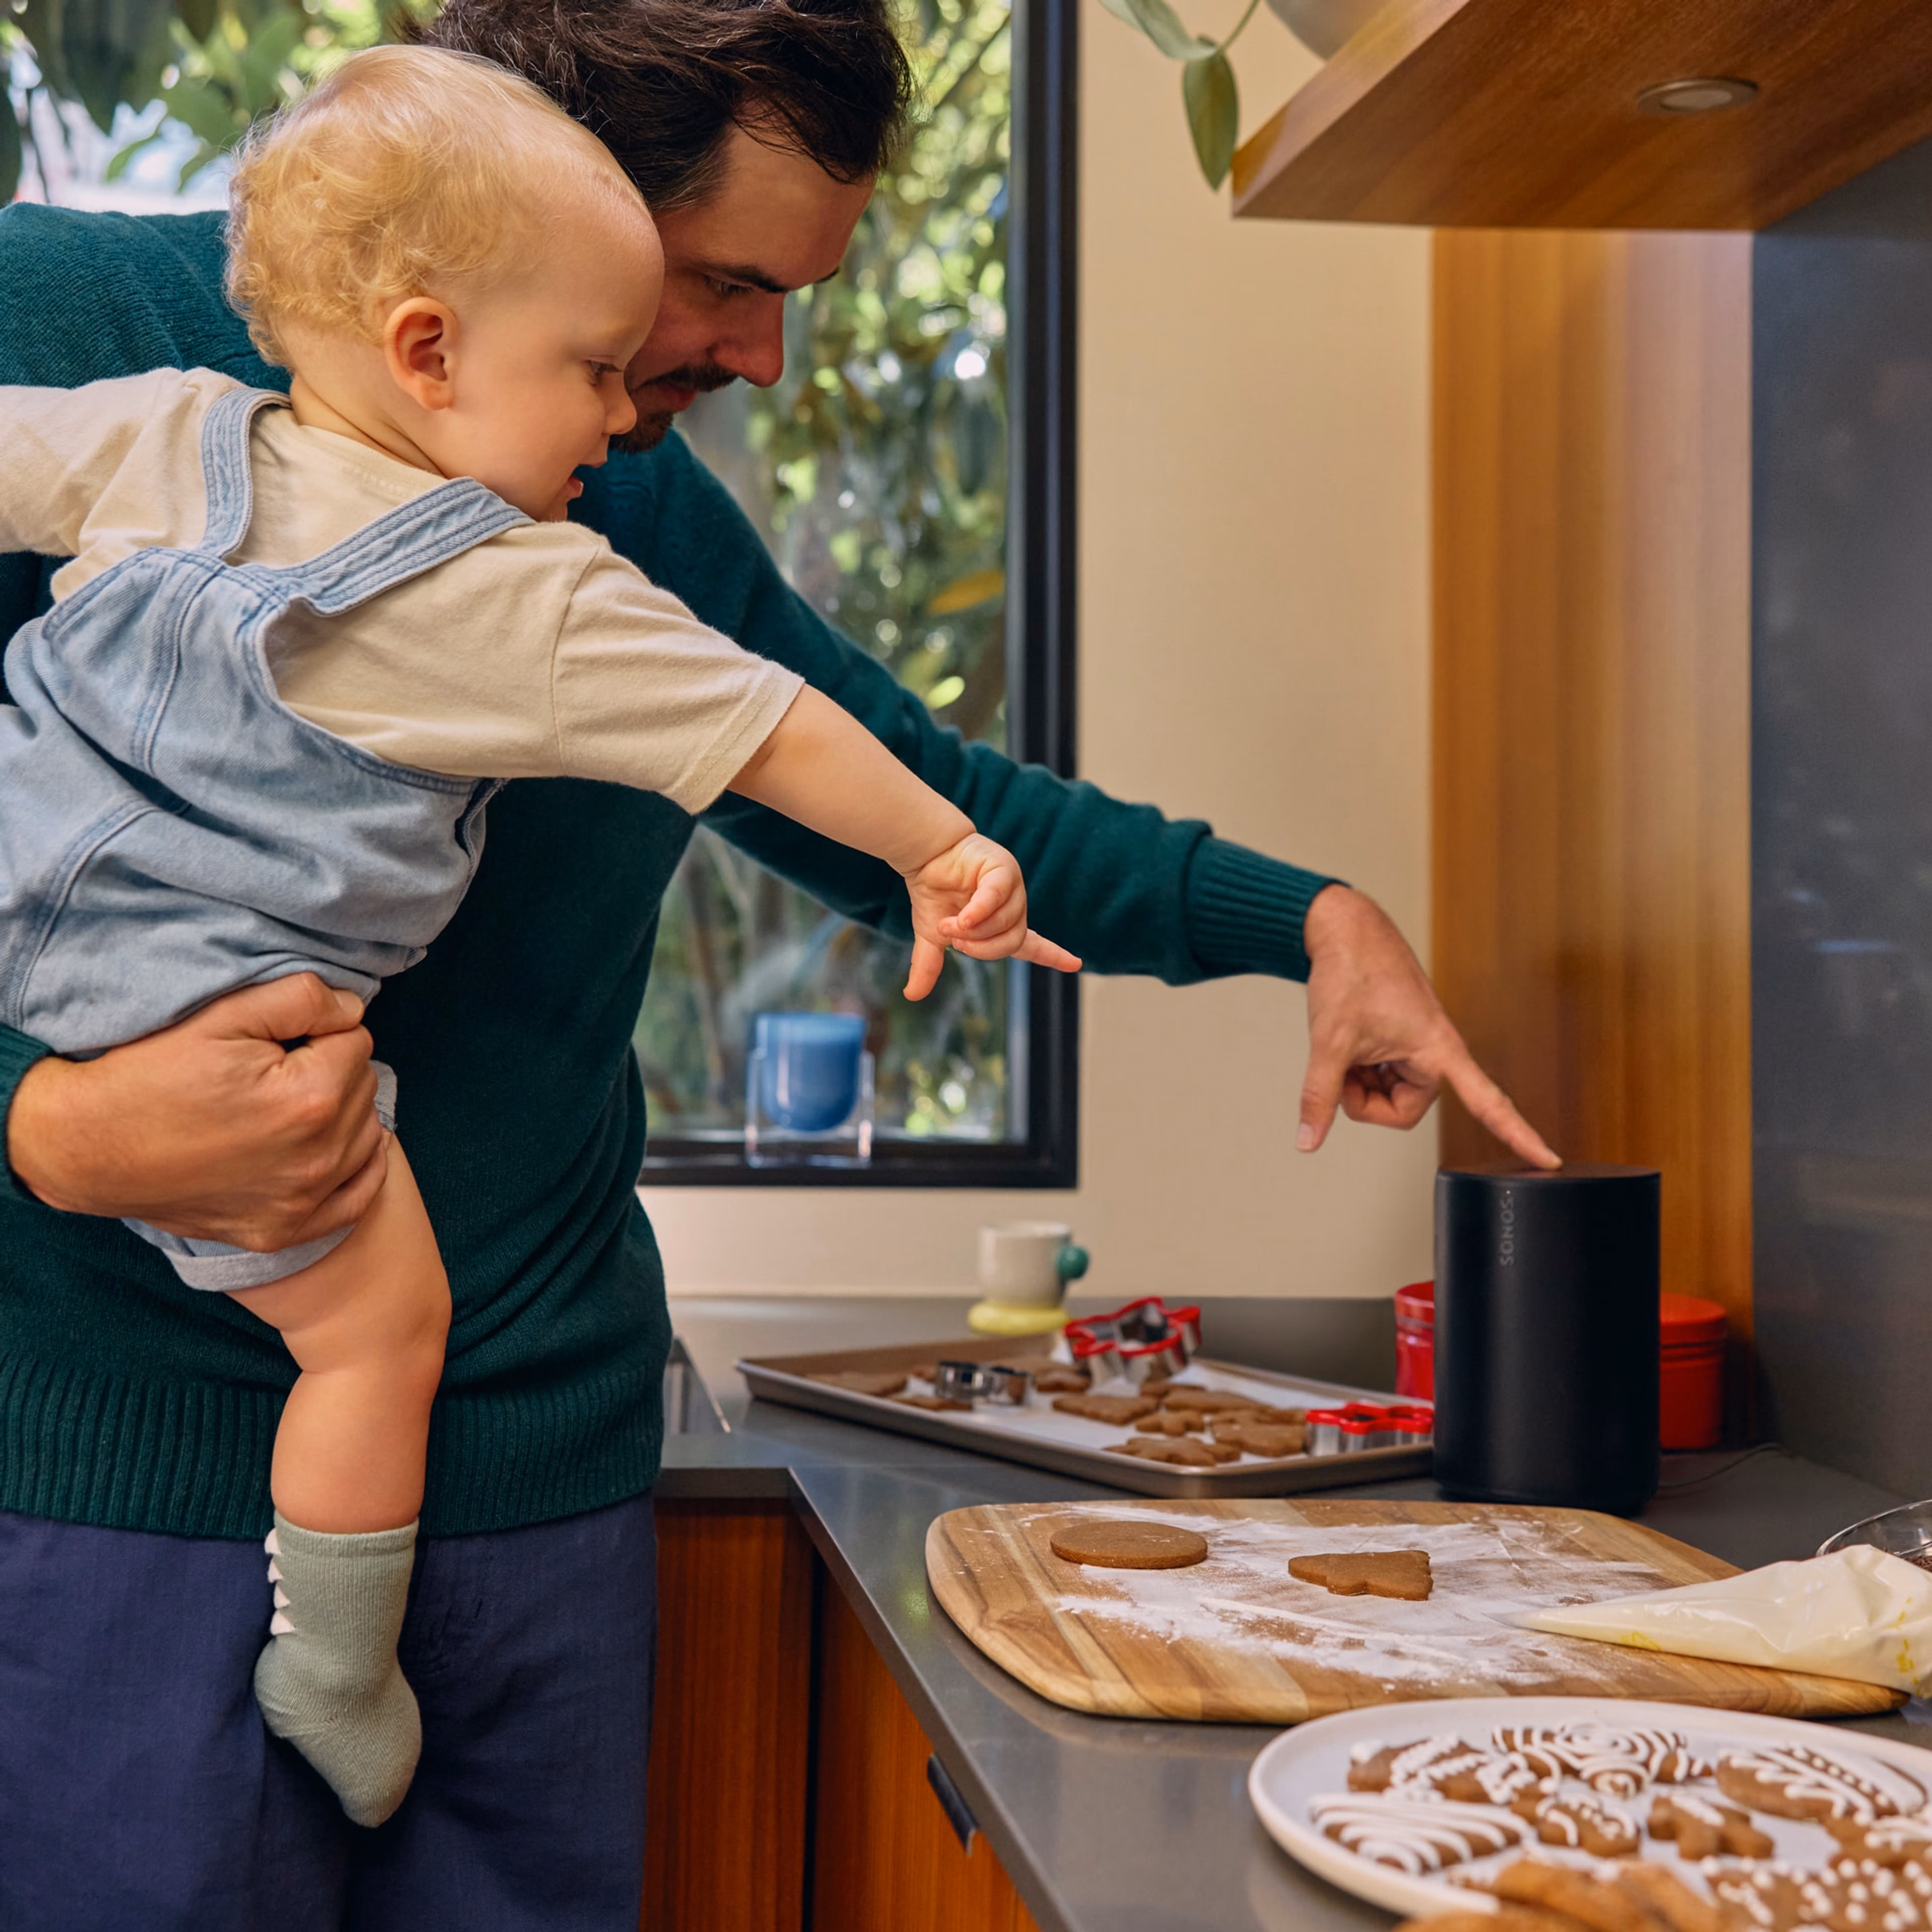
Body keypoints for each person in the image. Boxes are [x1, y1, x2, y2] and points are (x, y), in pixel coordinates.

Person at [0, 0, 1556, 1922]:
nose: (761, 351)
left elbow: (910, 799)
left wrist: (1306, 918)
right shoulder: (59, 343)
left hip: (535, 1507)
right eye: (725, 282)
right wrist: (44, 1122)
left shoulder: (606, 507)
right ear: (527, 194)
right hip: (102, 1497)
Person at [0, 43, 1077, 1832]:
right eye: (618, 349)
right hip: (204, 1037)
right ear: (434, 344)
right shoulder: (523, 585)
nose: (623, 416)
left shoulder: (160, 428)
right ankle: (333, 1657)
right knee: (374, 1335)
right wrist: (944, 852)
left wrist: (1297, 918)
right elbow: (782, 736)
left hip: (38, 918)